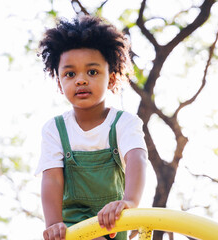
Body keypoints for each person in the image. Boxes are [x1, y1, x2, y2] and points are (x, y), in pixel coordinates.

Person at [36, 15, 148, 240]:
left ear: (112, 78)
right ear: (59, 83)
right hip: (72, 227)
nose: (81, 80)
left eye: (92, 72)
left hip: (113, 222)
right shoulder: (55, 129)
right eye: (70, 74)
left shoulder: (123, 123)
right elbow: (52, 178)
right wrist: (54, 223)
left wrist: (129, 202)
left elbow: (137, 158)